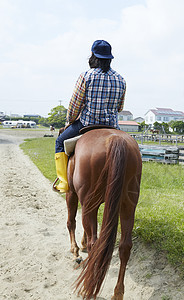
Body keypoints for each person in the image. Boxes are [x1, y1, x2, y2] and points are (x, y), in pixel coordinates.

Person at [53, 40, 126, 193]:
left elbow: (74, 106)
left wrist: (70, 121)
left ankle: (64, 182)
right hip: (112, 126)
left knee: (59, 141)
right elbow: (120, 108)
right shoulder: (121, 79)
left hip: (86, 124)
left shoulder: (86, 76)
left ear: (93, 56)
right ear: (109, 58)